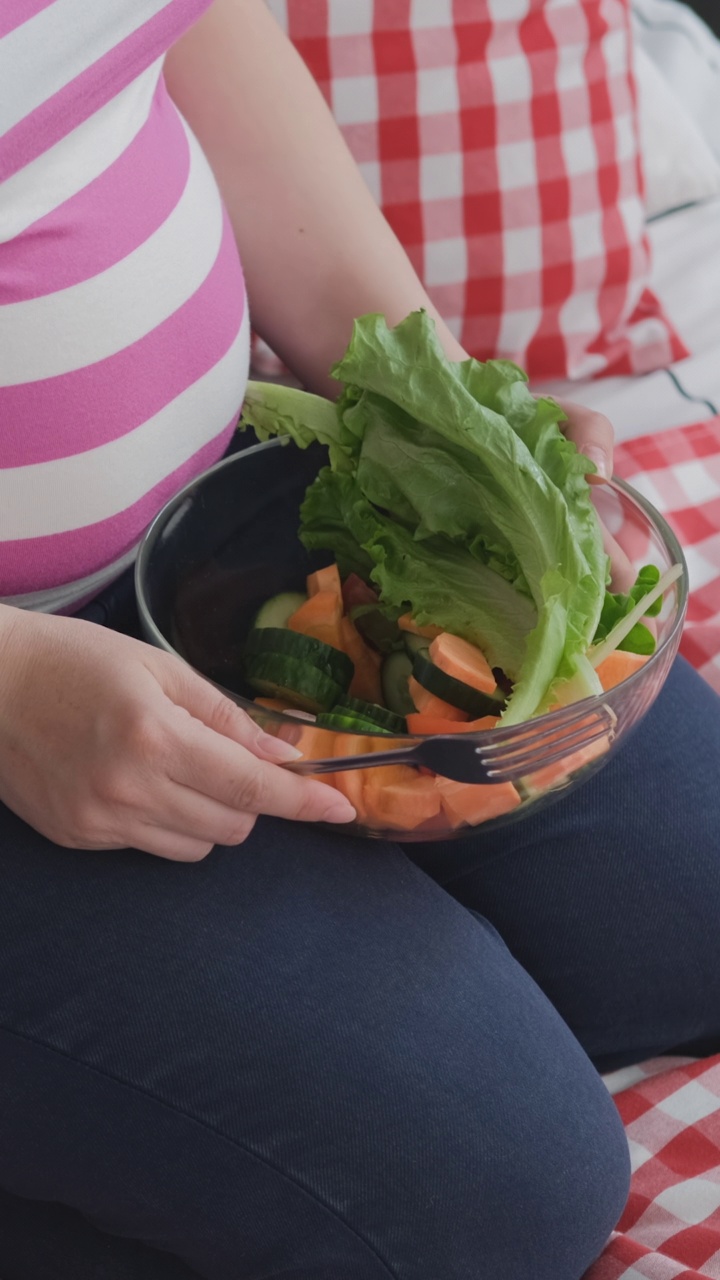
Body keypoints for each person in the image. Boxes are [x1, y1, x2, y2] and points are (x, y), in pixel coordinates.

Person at [1, 3, 719, 1278]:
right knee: (500, 1199)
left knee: (693, 910)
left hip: (199, 538)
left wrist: (434, 408)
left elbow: (192, 33)